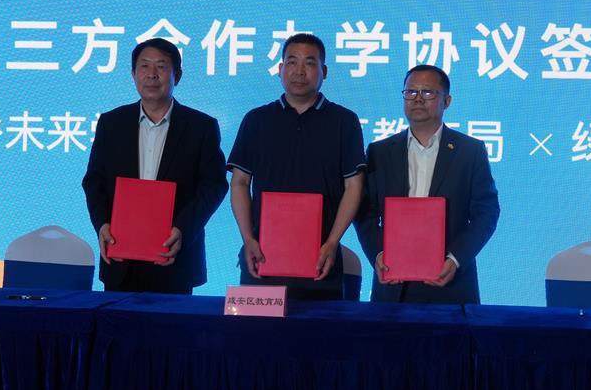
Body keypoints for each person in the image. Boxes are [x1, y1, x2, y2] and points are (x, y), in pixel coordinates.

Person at [82, 38, 228, 294]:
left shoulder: (201, 127)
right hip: (120, 257)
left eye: (161, 66)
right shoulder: (111, 123)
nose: (151, 74)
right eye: (144, 66)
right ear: (133, 74)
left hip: (175, 256)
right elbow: (94, 181)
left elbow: (213, 186)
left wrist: (183, 230)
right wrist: (102, 224)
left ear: (177, 75)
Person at [226, 33, 366, 301]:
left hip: (321, 259)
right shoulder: (257, 119)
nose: (299, 71)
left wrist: (332, 242)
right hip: (261, 256)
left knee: (319, 327)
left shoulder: (344, 121)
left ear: (324, 71)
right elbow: (240, 183)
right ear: (280, 69)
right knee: (254, 327)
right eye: (292, 62)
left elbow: (354, 187)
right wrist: (247, 238)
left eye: (310, 63)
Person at [354, 64, 499, 304]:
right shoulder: (380, 152)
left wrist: (455, 259)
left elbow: (487, 213)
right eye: (411, 92)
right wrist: (379, 254)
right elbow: (365, 212)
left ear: (447, 101)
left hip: (450, 283)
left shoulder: (470, 151)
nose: (418, 99)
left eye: (428, 92)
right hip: (393, 284)